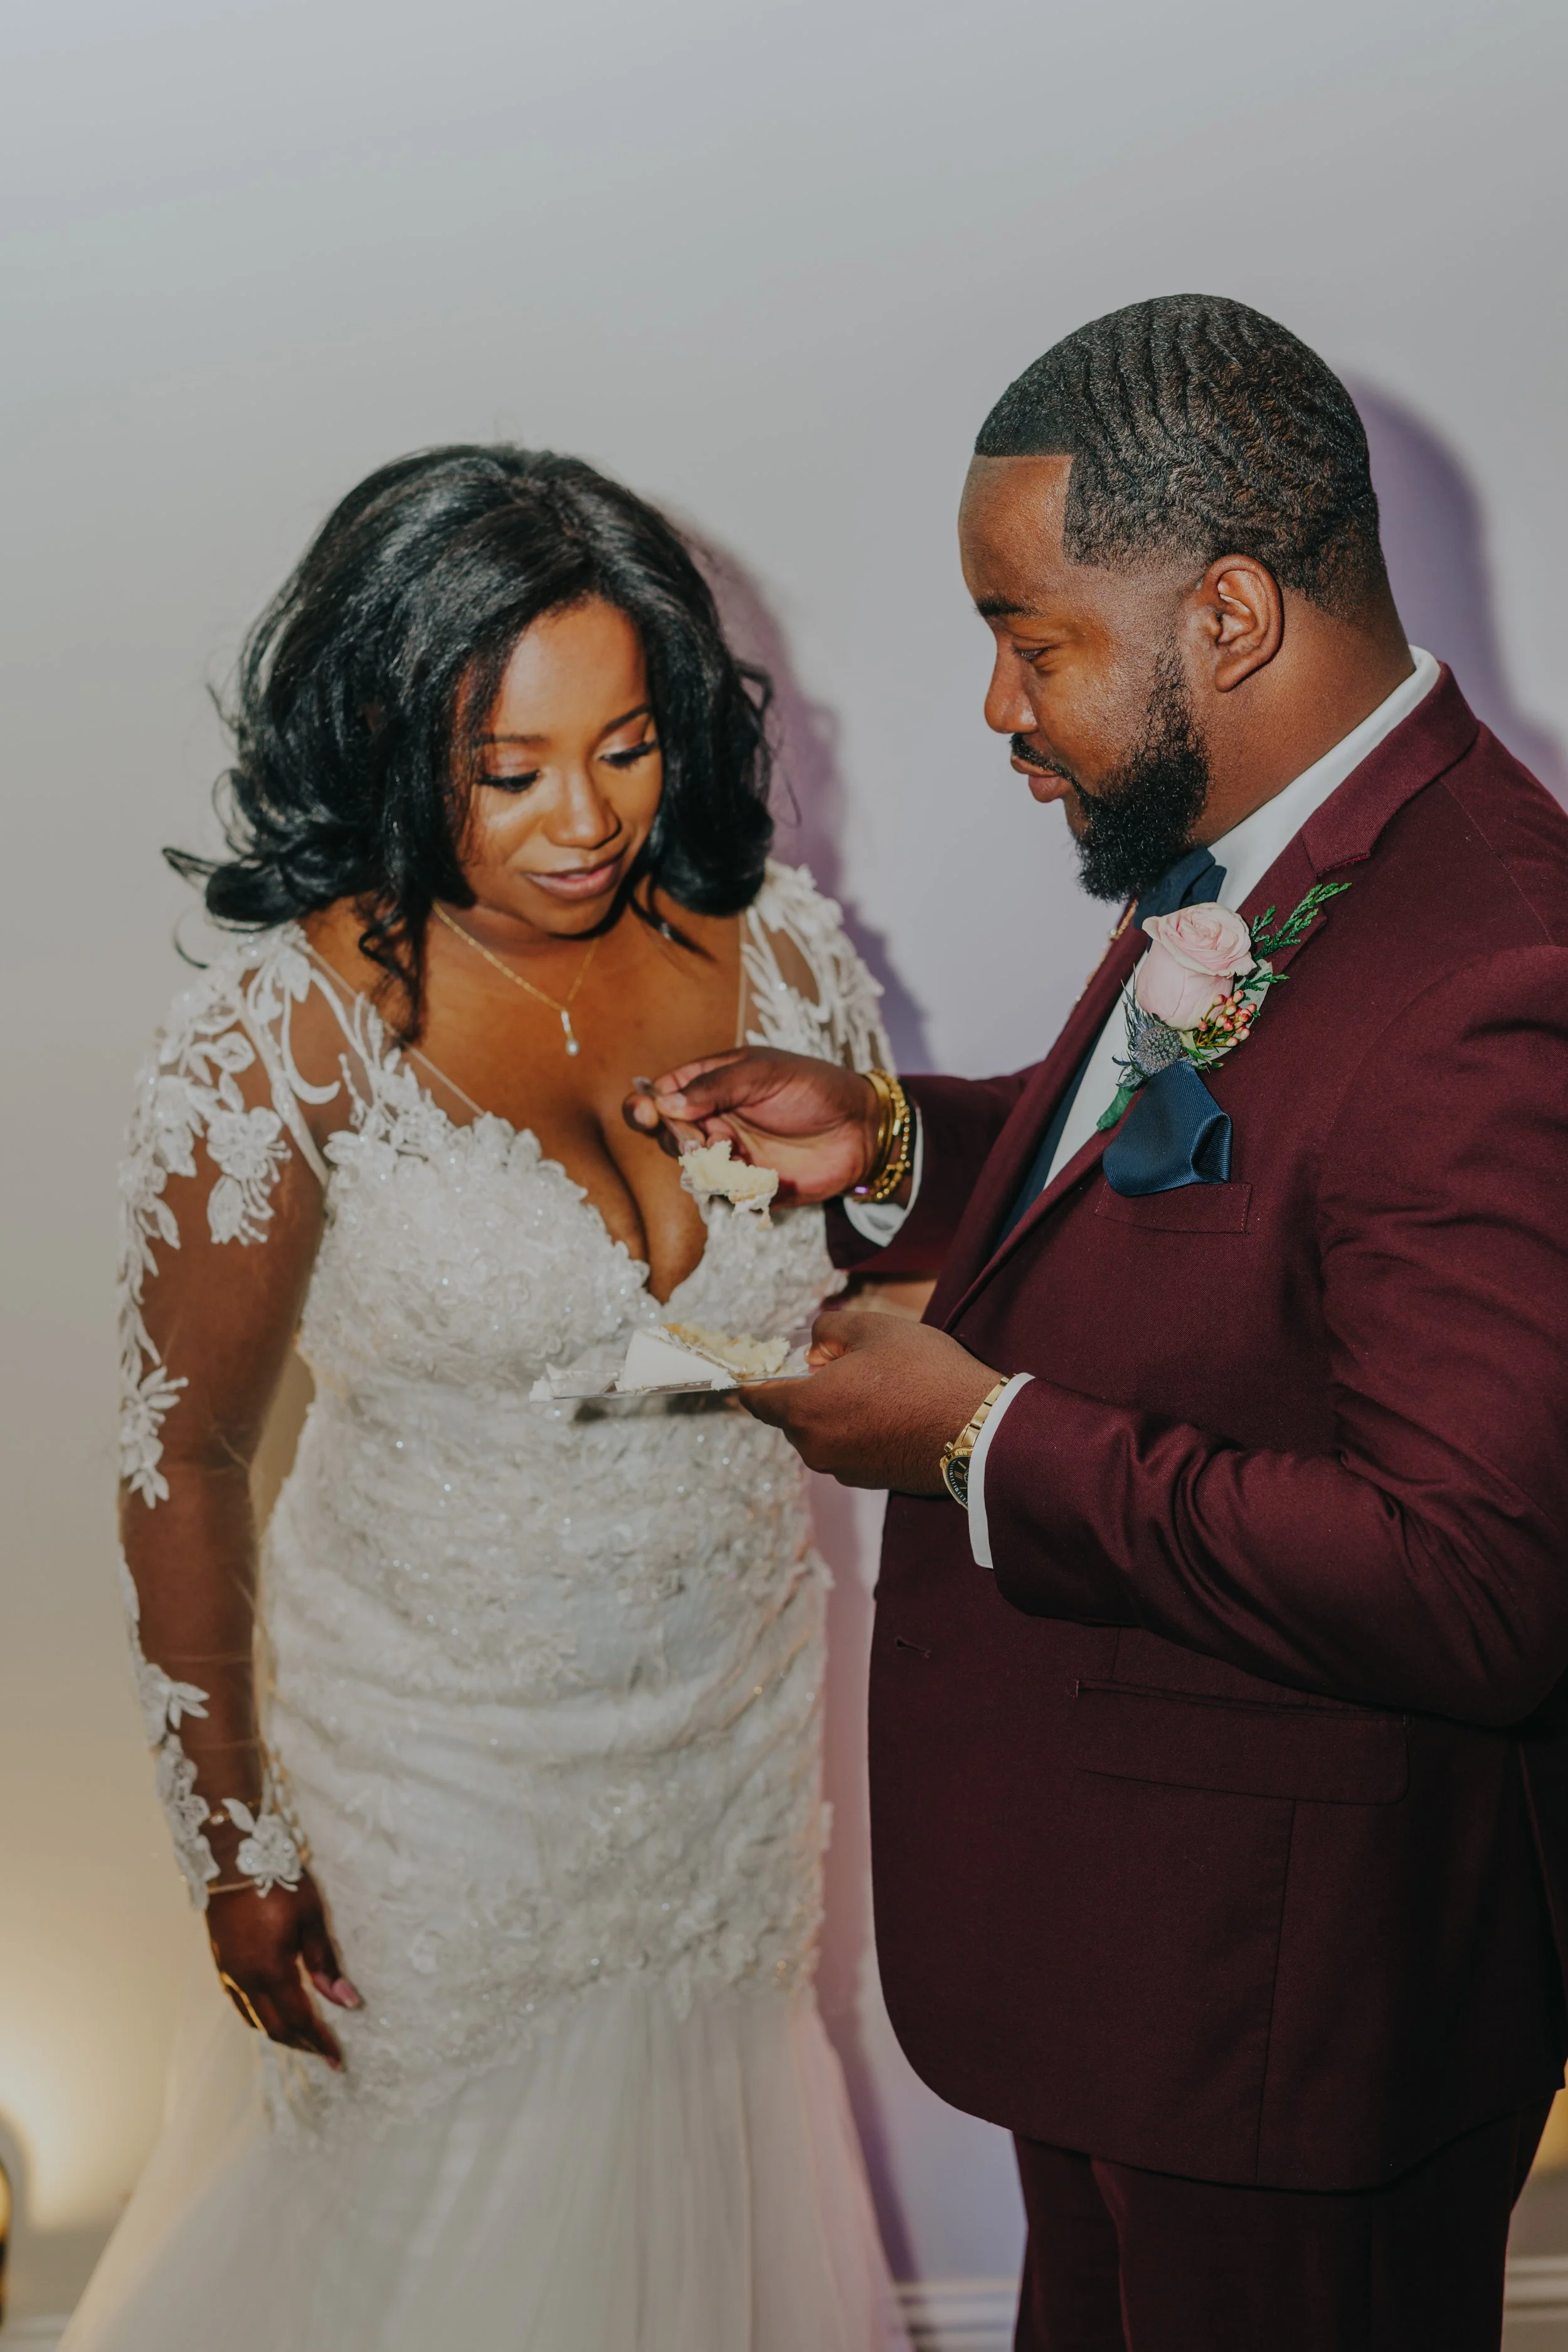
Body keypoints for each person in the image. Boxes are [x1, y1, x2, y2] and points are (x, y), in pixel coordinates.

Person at [626, 296, 1568, 2351]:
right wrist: (891, 1139)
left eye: (1030, 635)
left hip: (1291, 2019)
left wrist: (977, 1437)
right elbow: (1204, 1194)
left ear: (1223, 615)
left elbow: (1476, 1576)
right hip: (1139, 1981)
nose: (994, 702)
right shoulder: (1267, 858)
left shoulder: (1492, 960)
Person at [78, 446, 908, 2351]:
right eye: (506, 770)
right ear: (386, 733)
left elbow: (865, 1281)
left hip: (726, 1753)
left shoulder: (779, 948)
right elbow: (176, 1457)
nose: (582, 822)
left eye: (624, 746)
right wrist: (234, 1841)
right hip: (432, 1786)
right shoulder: (275, 1036)